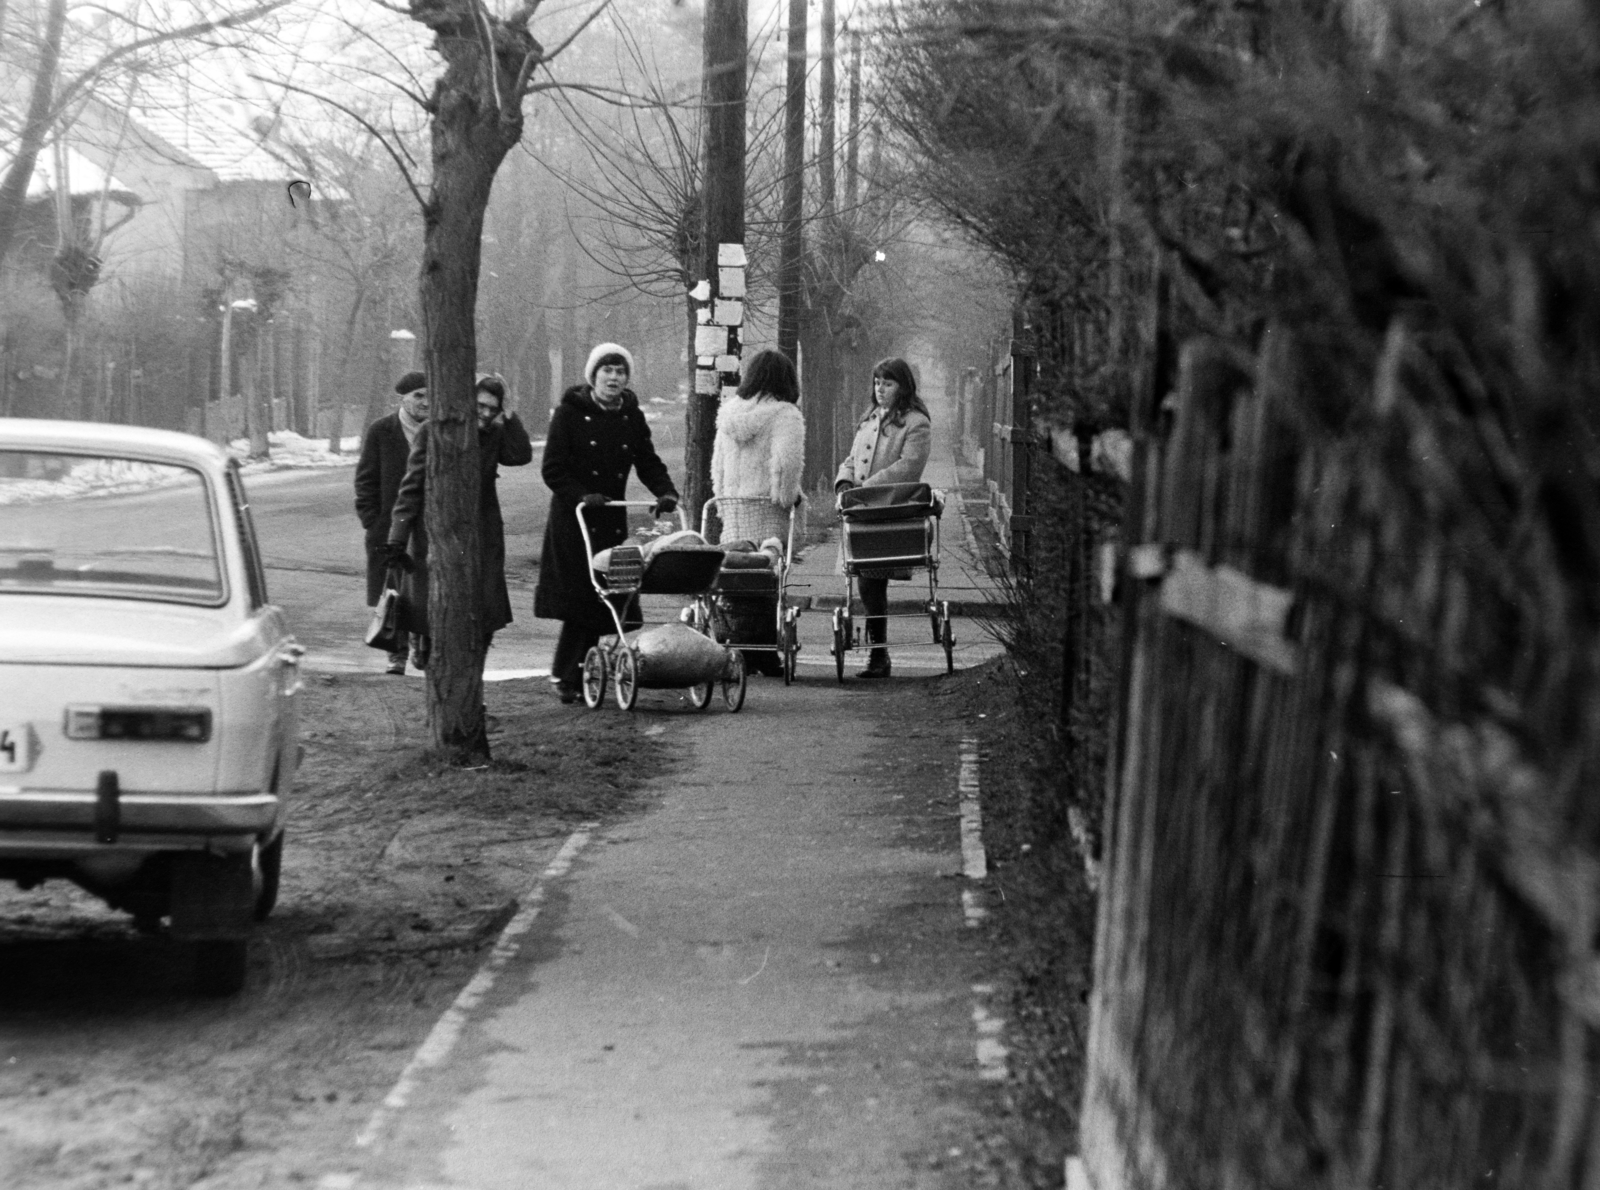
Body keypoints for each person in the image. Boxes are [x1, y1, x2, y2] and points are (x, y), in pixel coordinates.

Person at [534, 342, 680, 703]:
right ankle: (568, 675)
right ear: (593, 376)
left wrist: (665, 492)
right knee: (583, 599)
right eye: (607, 371)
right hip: (576, 519)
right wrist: (582, 494)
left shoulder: (631, 417)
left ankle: (581, 673)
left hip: (610, 517)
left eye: (620, 372)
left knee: (607, 597)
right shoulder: (568, 413)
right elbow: (552, 468)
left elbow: (646, 460)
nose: (613, 378)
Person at [384, 372, 534, 667]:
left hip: (483, 533)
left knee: (487, 608)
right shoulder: (433, 431)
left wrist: (511, 413)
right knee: (433, 606)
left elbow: (520, 455)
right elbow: (411, 487)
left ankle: (472, 679)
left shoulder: (494, 434)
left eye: (493, 408)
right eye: (480, 406)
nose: (487, 414)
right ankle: (426, 647)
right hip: (436, 532)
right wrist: (396, 539)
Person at [834, 357, 932, 679]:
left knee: (871, 581)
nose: (880, 389)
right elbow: (851, 458)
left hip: (890, 511)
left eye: (887, 383)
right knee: (866, 580)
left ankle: (879, 654)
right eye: (877, 382)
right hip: (862, 510)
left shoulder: (916, 423)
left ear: (902, 387)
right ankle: (879, 654)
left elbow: (909, 467)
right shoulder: (870, 419)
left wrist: (866, 489)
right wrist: (846, 482)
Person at [711, 348, 805, 676]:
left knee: (738, 578)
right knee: (768, 575)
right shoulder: (785, 415)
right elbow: (786, 461)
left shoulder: (729, 413)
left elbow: (717, 466)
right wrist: (787, 496)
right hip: (766, 508)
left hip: (735, 511)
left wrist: (723, 502)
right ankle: (764, 652)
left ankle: (740, 646)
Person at [355, 370, 428, 675]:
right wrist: (372, 521)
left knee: (422, 587)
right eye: (418, 395)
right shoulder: (382, 431)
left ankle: (421, 647)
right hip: (388, 526)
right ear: (403, 398)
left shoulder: (440, 430)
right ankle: (395, 654)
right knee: (392, 590)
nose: (425, 402)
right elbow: (365, 480)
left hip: (424, 527)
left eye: (429, 395)